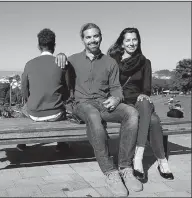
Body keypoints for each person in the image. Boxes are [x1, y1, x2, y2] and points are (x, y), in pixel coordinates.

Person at [55, 23, 142, 196]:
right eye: (88, 37)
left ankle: (125, 167)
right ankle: (110, 172)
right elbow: (61, 73)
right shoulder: (72, 60)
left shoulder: (110, 62)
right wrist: (61, 55)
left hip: (103, 103)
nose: (92, 40)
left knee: (132, 113)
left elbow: (116, 87)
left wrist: (117, 97)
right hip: (81, 104)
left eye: (95, 36)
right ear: (83, 40)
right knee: (93, 116)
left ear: (101, 37)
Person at [107, 27, 174, 180]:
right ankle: (162, 160)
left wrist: (144, 94)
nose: (132, 43)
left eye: (134, 39)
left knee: (143, 101)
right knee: (154, 120)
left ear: (138, 41)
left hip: (140, 101)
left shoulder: (145, 62)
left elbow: (146, 88)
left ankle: (138, 157)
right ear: (122, 44)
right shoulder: (113, 61)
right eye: (128, 40)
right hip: (123, 103)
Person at [19, 28, 70, 152]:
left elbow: (24, 91)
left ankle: (21, 143)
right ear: (54, 45)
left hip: (34, 113)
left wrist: (29, 101)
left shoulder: (29, 64)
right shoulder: (62, 64)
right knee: (63, 108)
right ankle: (61, 144)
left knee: (23, 109)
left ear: (38, 46)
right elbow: (67, 89)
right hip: (56, 114)